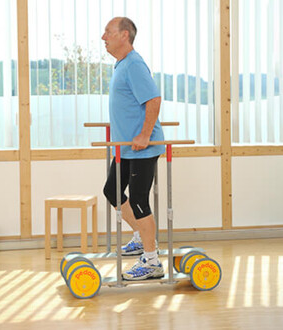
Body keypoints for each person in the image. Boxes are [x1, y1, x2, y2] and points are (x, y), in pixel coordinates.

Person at [101, 17, 165, 281]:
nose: (103, 37)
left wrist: (145, 134)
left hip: (142, 147)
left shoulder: (134, 64)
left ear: (124, 35)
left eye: (108, 32)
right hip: (126, 148)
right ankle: (140, 238)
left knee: (139, 200)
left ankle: (152, 262)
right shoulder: (121, 65)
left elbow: (153, 99)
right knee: (112, 191)